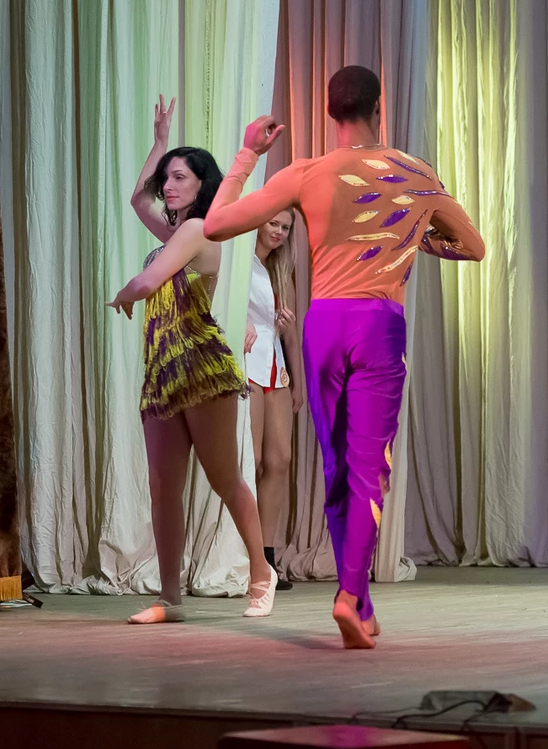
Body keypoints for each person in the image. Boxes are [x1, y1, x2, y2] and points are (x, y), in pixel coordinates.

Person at [203, 67, 485, 649]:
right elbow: (473, 247)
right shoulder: (415, 174)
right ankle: (350, 596)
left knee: (337, 466)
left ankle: (359, 599)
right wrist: (413, 235)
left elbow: (216, 223)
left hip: (324, 324)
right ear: (379, 107)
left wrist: (248, 155)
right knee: (368, 466)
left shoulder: (305, 173)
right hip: (377, 324)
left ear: (331, 113)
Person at [108, 95, 277, 624]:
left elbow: (149, 282)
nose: (168, 185)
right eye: (167, 177)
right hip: (163, 371)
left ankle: (261, 573)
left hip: (201, 367)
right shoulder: (175, 234)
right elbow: (138, 199)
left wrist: (126, 293)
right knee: (163, 488)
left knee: (226, 479)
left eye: (179, 177)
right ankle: (170, 598)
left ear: (202, 186)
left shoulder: (199, 231)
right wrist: (160, 143)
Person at [244, 209, 301, 591]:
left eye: (285, 227)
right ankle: (245, 555)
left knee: (280, 459)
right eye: (274, 223)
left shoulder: (281, 271)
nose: (278, 232)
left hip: (276, 367)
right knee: (252, 460)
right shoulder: (239, 263)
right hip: (246, 364)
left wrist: (299, 383)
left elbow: (292, 334)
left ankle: (267, 556)